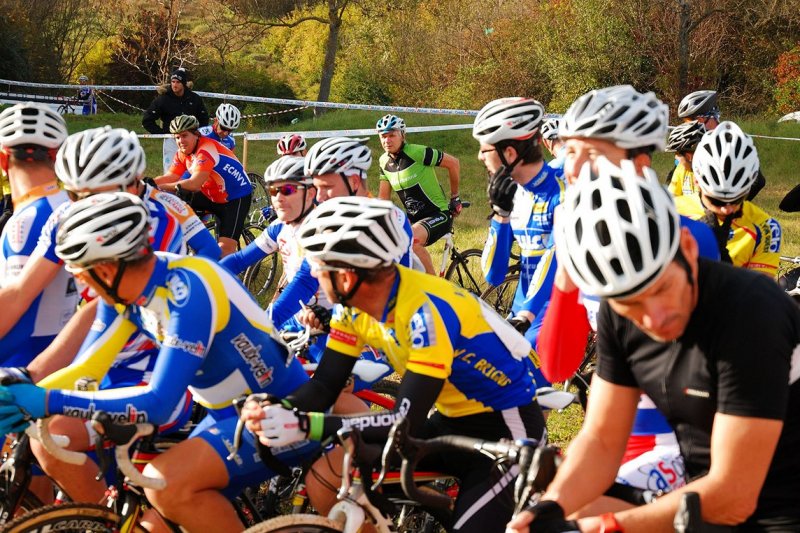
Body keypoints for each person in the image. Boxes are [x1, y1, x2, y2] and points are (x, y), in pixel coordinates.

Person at [508, 158, 800, 532]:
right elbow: (602, 439)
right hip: (699, 487)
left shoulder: (751, 312)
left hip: (774, 508)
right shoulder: (618, 314)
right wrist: (552, 505)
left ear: (688, 248)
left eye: (661, 288)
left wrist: (607, 526)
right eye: (631, 304)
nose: (654, 319)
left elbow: (735, 496)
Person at [0, 192, 320, 532]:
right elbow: (86, 371)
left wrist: (46, 401)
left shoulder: (189, 292)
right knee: (153, 526)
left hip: (281, 412)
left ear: (106, 269)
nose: (80, 284)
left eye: (80, 274)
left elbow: (157, 402)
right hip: (226, 415)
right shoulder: (126, 293)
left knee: (167, 483)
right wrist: (17, 391)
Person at [241, 196, 545, 533]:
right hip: (450, 423)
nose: (313, 274)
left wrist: (305, 425)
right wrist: (277, 407)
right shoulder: (350, 310)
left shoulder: (425, 314)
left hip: (508, 429)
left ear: (346, 277)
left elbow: (403, 421)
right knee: (350, 474)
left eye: (318, 267)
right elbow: (325, 385)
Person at [538, 85, 723, 511]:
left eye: (591, 154)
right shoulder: (579, 236)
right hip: (613, 434)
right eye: (570, 151)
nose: (571, 167)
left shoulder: (687, 238)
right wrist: (566, 276)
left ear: (639, 163)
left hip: (680, 437)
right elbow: (557, 366)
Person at [268, 136, 417, 331]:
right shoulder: (330, 218)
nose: (319, 197)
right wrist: (264, 323)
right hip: (344, 321)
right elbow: (305, 279)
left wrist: (330, 318)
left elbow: (379, 292)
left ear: (354, 182)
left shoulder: (387, 220)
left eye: (326, 187)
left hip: (388, 327)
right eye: (316, 188)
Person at [473, 97, 565, 386]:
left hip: (556, 309)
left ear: (509, 152)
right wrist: (501, 215)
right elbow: (493, 274)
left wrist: (526, 315)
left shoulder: (562, 192)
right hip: (523, 308)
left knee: (520, 390)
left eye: (484, 149)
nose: (479, 157)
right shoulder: (516, 194)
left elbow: (556, 255)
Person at [0, 102, 78, 367]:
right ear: (56, 158)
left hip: (21, 367)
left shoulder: (30, 219)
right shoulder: (65, 204)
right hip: (56, 359)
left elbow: (19, 306)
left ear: (2, 160)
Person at [675, 121, 781, 276]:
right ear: (696, 181)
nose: (727, 209)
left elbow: (760, 289)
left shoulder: (766, 228)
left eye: (736, 199)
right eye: (716, 201)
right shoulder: (672, 212)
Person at [155, 115, 253, 257]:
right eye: (177, 137)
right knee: (175, 205)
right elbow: (171, 177)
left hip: (236, 197)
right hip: (211, 195)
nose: (180, 141)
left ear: (196, 134)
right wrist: (146, 183)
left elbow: (194, 184)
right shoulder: (182, 153)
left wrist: (163, 186)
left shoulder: (206, 149)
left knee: (224, 251)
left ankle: (221, 267)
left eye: (184, 136)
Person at [376, 114, 462, 274]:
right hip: (413, 220)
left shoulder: (418, 152)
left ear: (402, 135)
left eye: (392, 135)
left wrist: (455, 197)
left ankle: (434, 287)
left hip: (438, 214)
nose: (387, 140)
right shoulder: (383, 161)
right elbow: (383, 199)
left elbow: (454, 163)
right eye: (383, 136)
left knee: (411, 240)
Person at [677, 89, 765, 199]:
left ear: (701, 120)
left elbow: (758, 181)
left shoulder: (731, 143)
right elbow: (676, 175)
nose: (687, 128)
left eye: (688, 123)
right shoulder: (694, 142)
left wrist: (731, 204)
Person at [142, 67, 209, 173]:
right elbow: (147, 120)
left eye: (178, 82)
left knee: (193, 169)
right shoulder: (163, 99)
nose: (174, 85)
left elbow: (204, 118)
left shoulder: (194, 98)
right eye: (173, 82)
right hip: (171, 139)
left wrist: (197, 133)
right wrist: (163, 133)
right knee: (170, 170)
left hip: (191, 139)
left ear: (184, 84)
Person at [664, 120, 705, 197]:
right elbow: (671, 196)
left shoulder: (708, 174)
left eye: (677, 155)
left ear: (688, 156)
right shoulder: (681, 169)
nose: (675, 158)